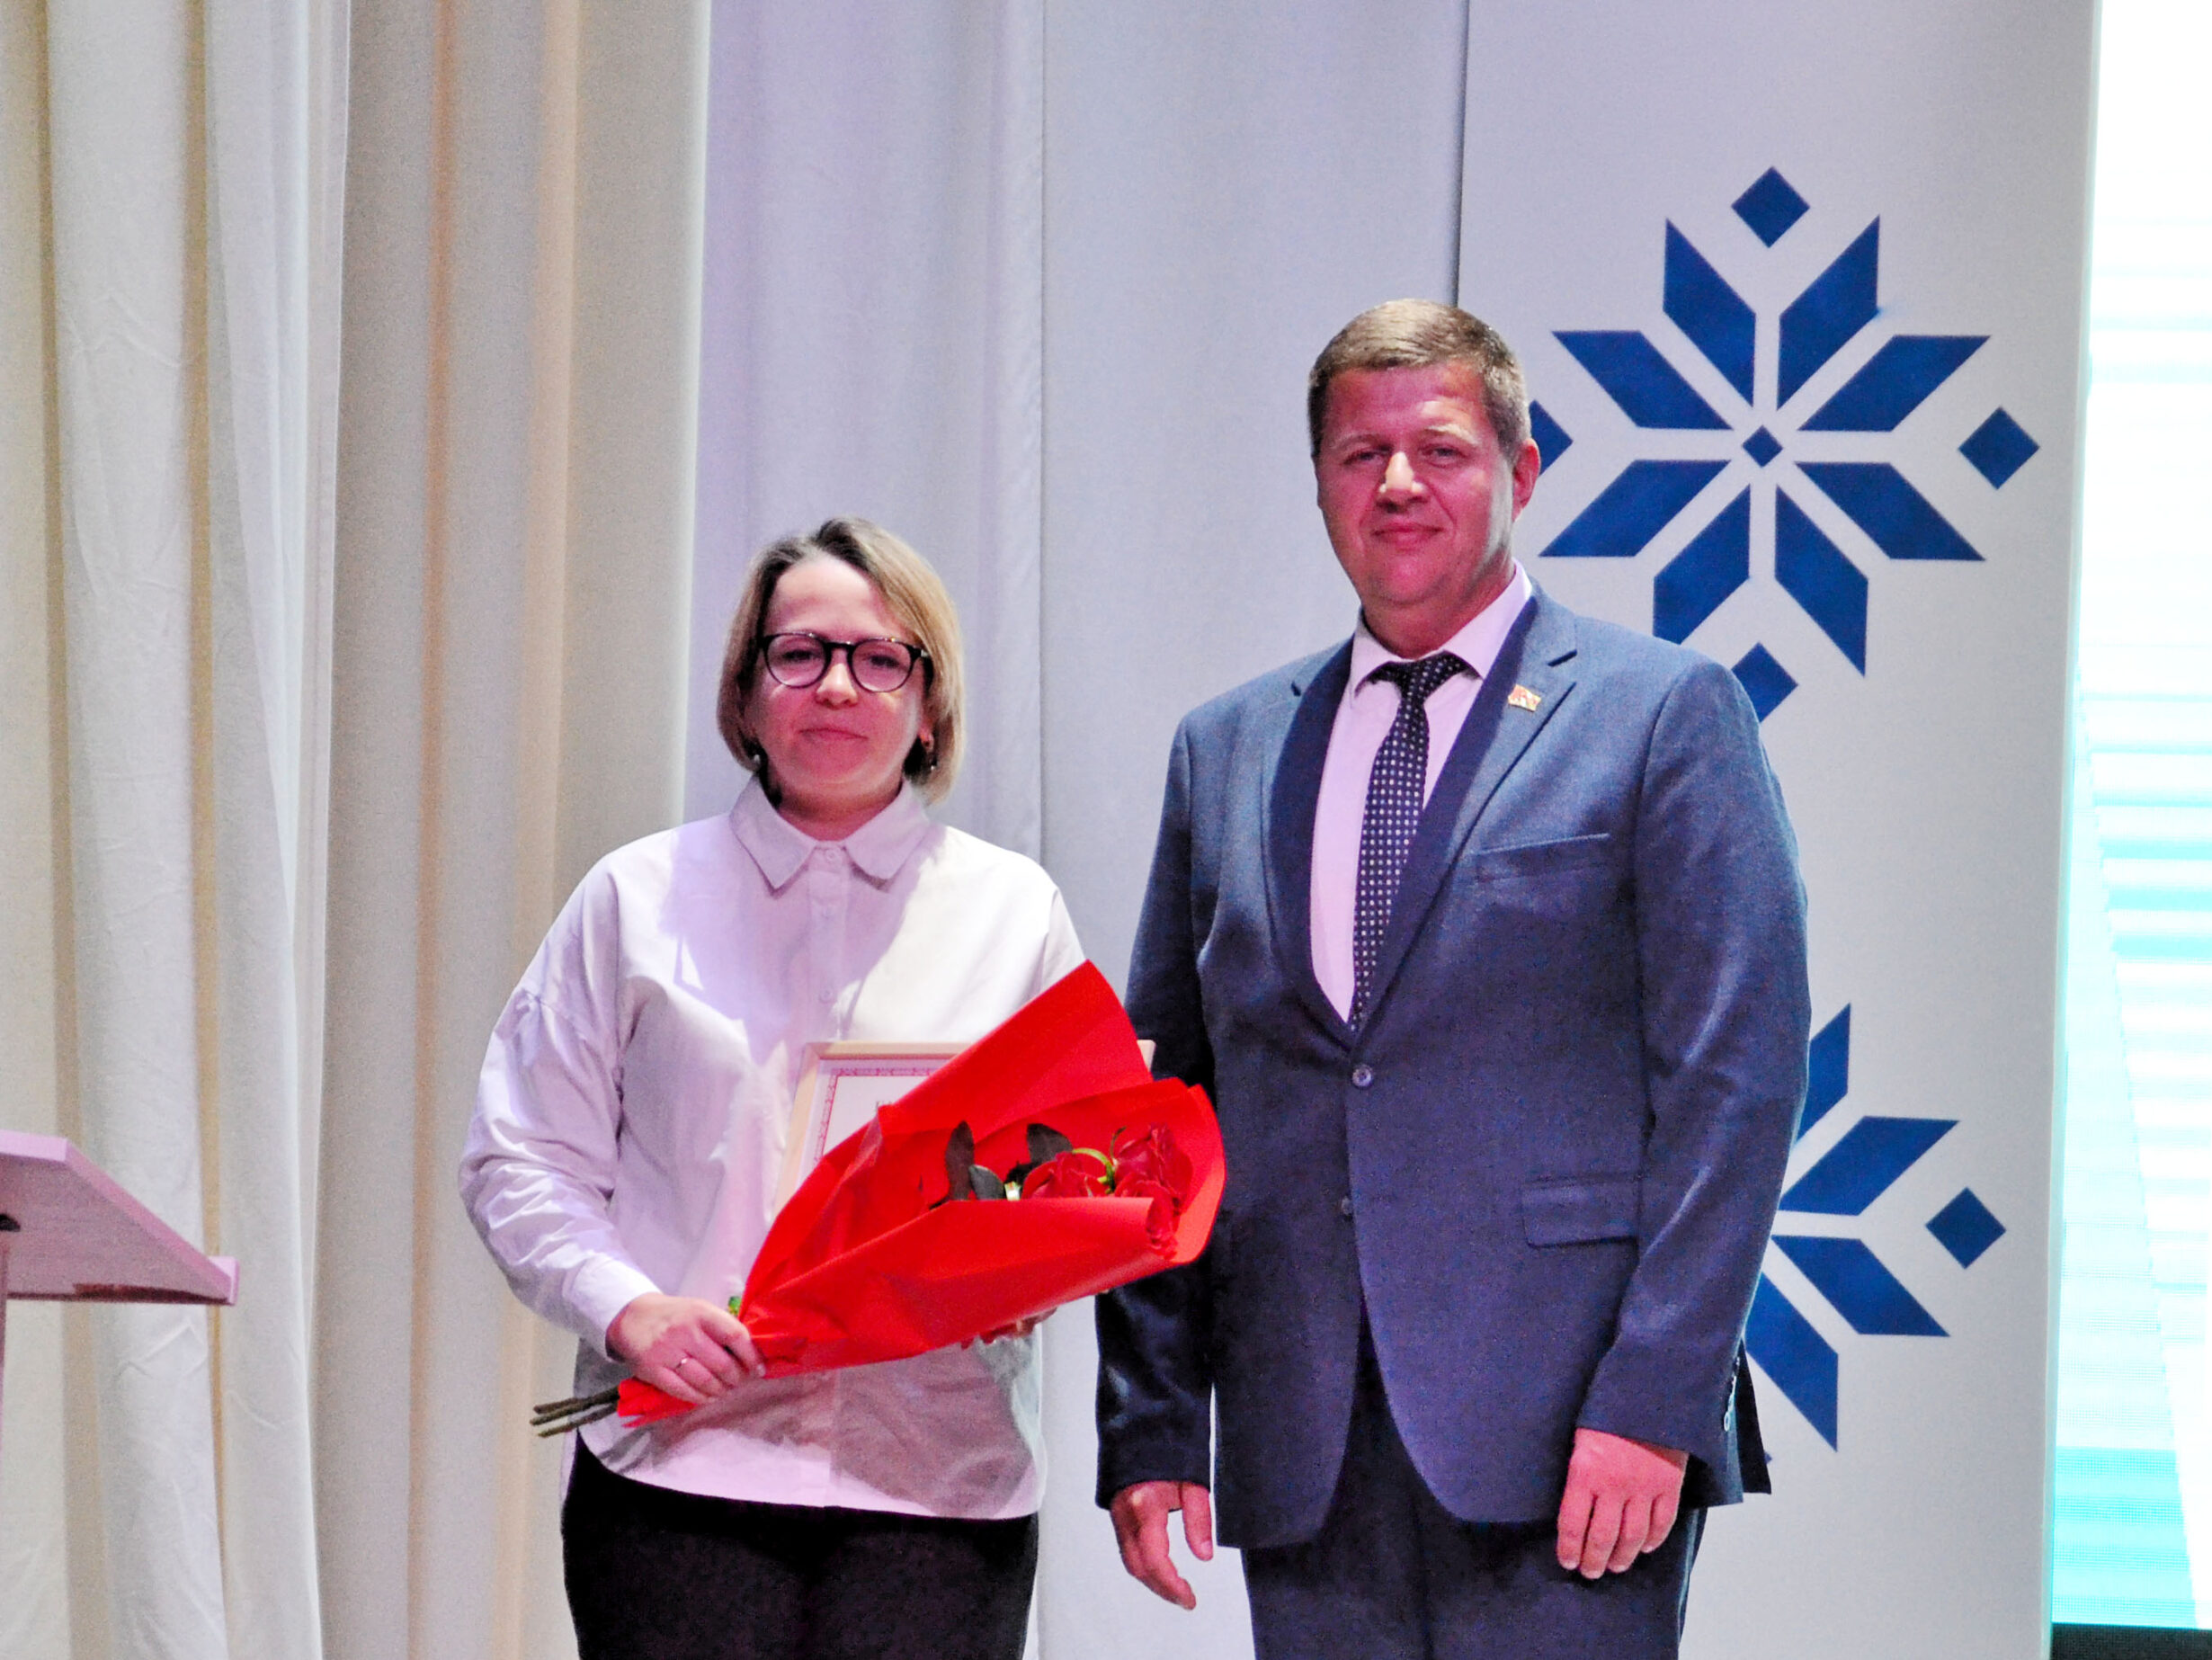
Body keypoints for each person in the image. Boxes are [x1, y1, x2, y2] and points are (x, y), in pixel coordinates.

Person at [1095, 300, 1809, 1659]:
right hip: (1302, 1438)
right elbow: (1158, 1110)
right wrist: (1151, 1415)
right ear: (1320, 484)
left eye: (1440, 449)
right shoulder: (1226, 748)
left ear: (1521, 472)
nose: (1398, 483)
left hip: (1573, 1446)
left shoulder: (1662, 713)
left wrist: (1658, 1397)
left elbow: (1738, 1081)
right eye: (1359, 455)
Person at [462, 517, 1082, 1660]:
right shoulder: (635, 897)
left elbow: (1071, 1170)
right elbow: (520, 1156)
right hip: (682, 1474)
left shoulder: (1015, 912)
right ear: (746, 697)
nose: (836, 685)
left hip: (937, 1482)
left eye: (880, 658)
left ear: (930, 705)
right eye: (798, 653)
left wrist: (1033, 1265)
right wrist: (626, 1307)